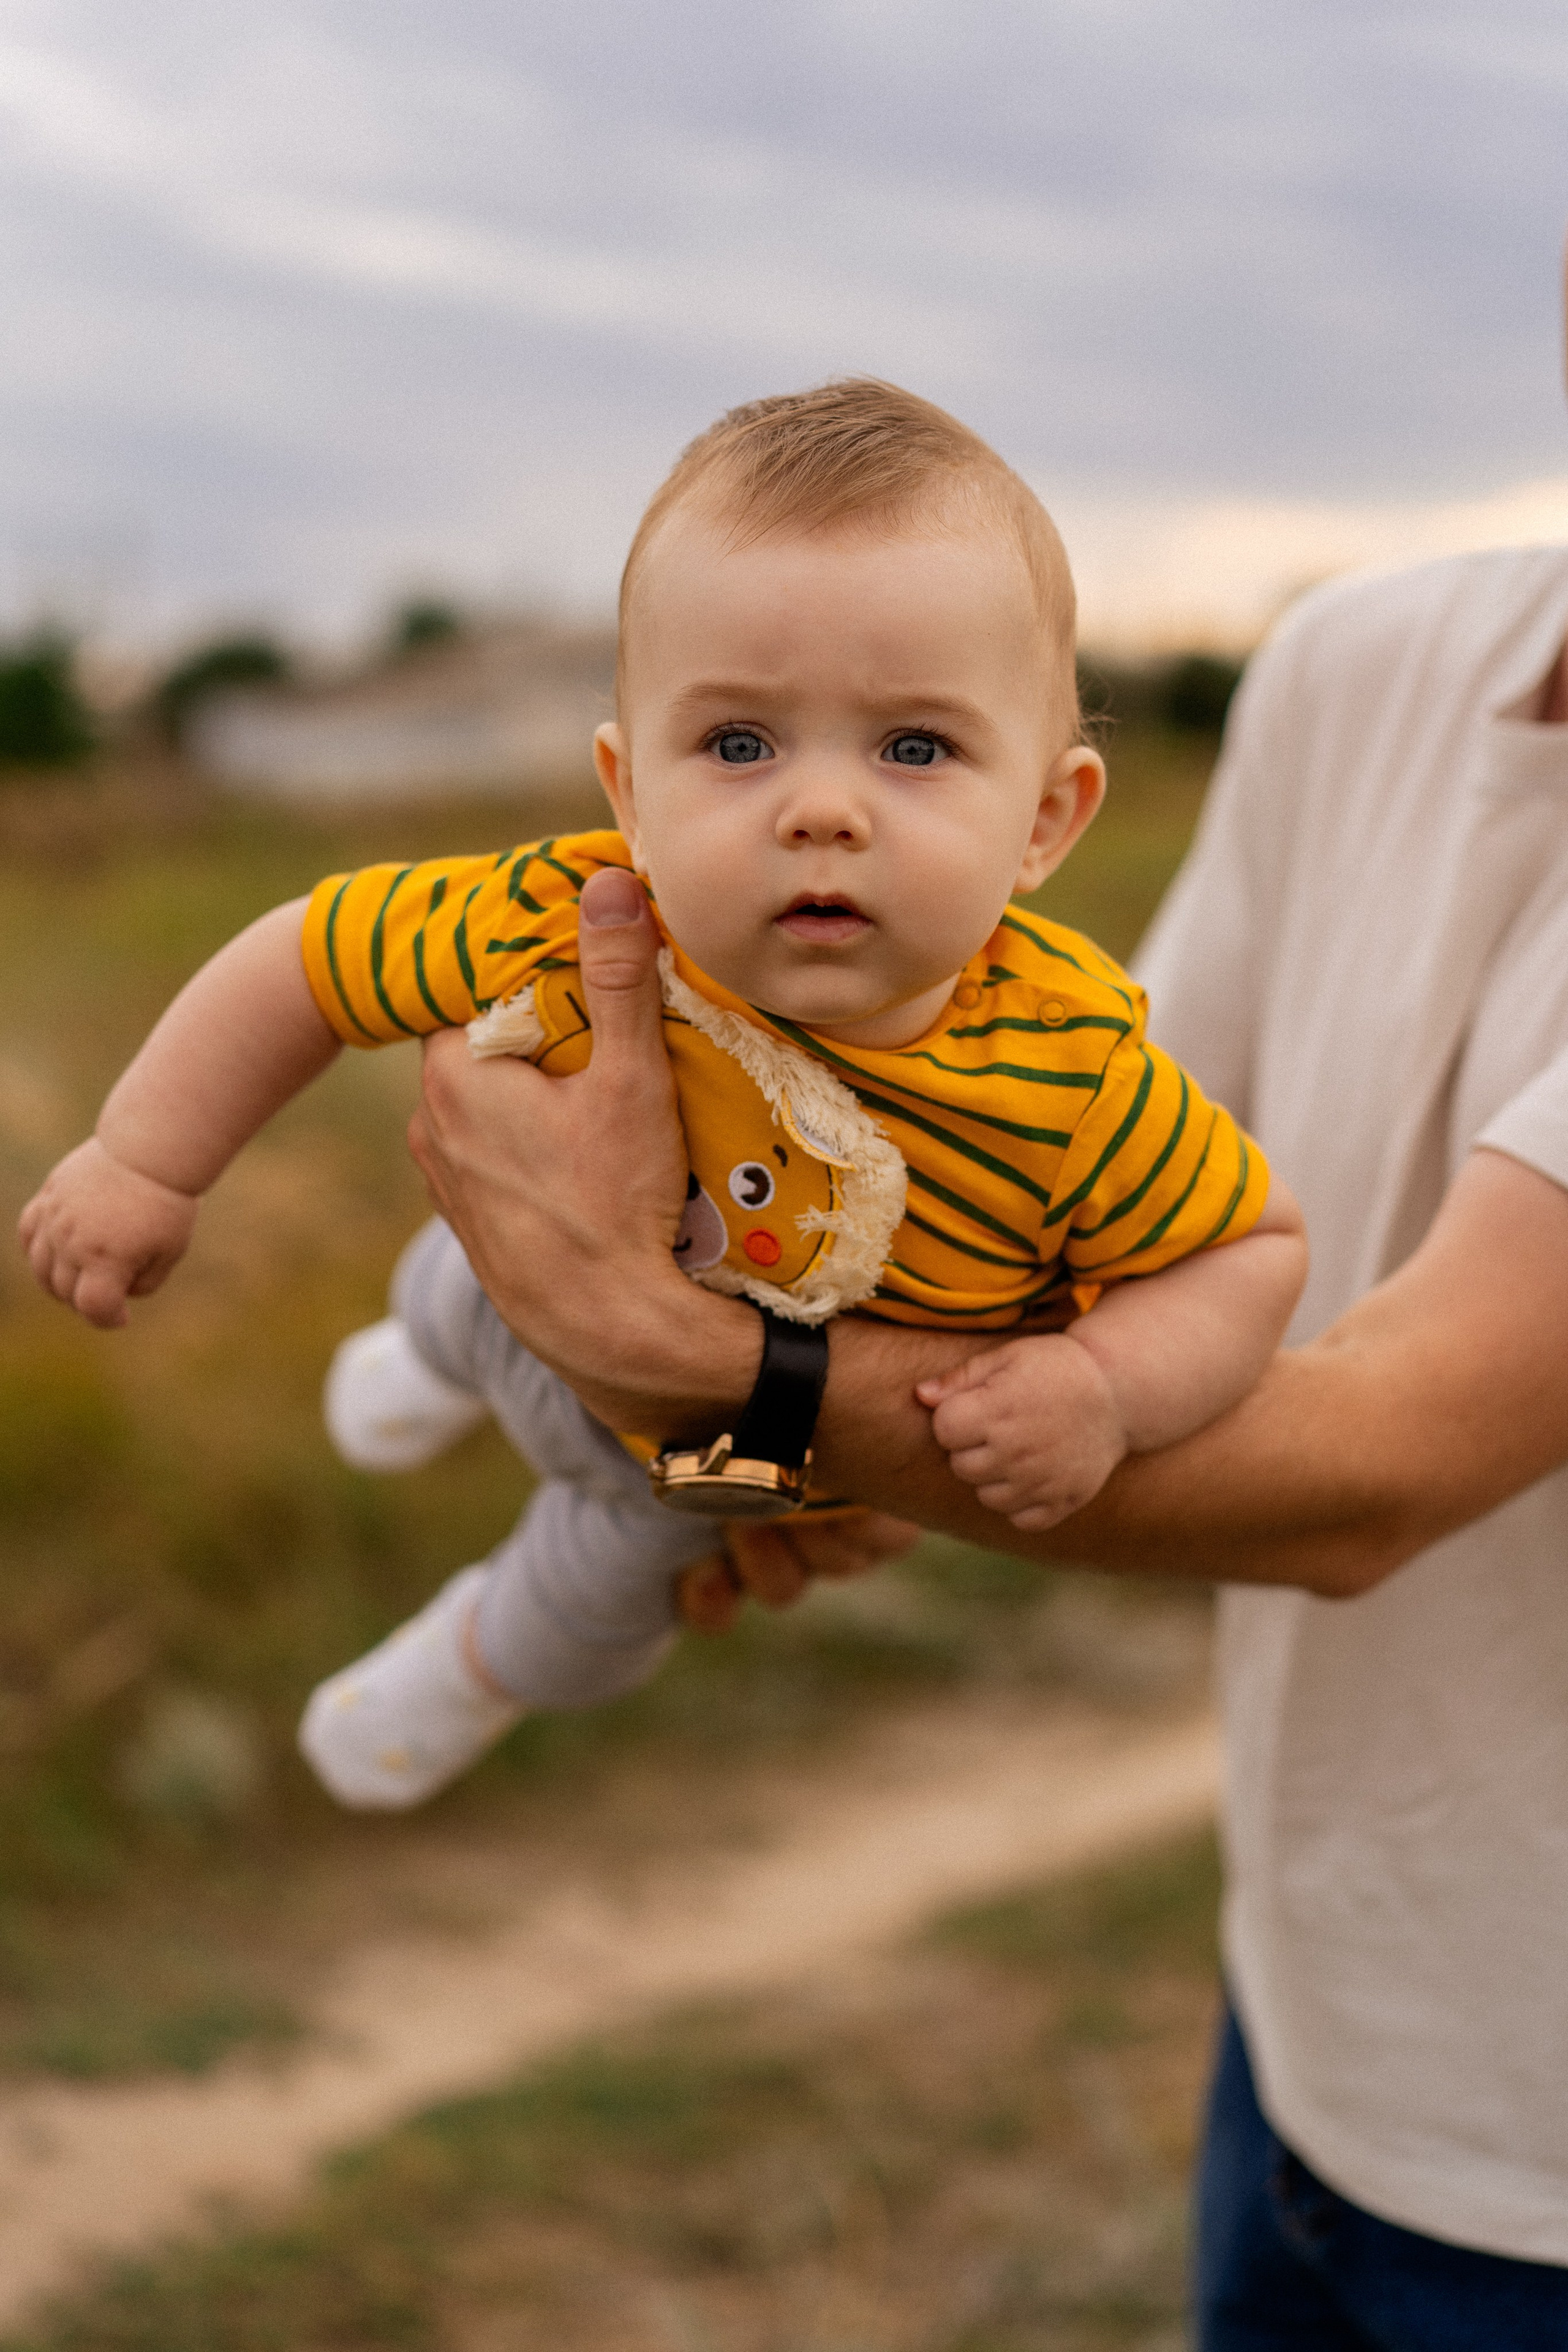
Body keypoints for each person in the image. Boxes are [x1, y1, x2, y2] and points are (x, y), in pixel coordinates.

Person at [401, 432, 1568, 2337]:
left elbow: (1380, 1469)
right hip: (1316, 2017)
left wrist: (701, 1364)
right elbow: (1055, 1238)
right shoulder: (1359, 664)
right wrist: (802, 1467)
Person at [17, 380, 1303, 1813]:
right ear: (628, 790)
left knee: (602, 1593)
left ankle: (459, 1673)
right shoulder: (568, 909)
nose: (821, 808)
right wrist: (144, 1162)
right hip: (511, 1300)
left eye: (915, 748)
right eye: (739, 745)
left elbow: (1246, 1251)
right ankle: (426, 1362)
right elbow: (307, 961)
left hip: (742, 1457)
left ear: (1046, 822)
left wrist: (1103, 1385)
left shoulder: (1074, 1077)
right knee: (464, 1272)